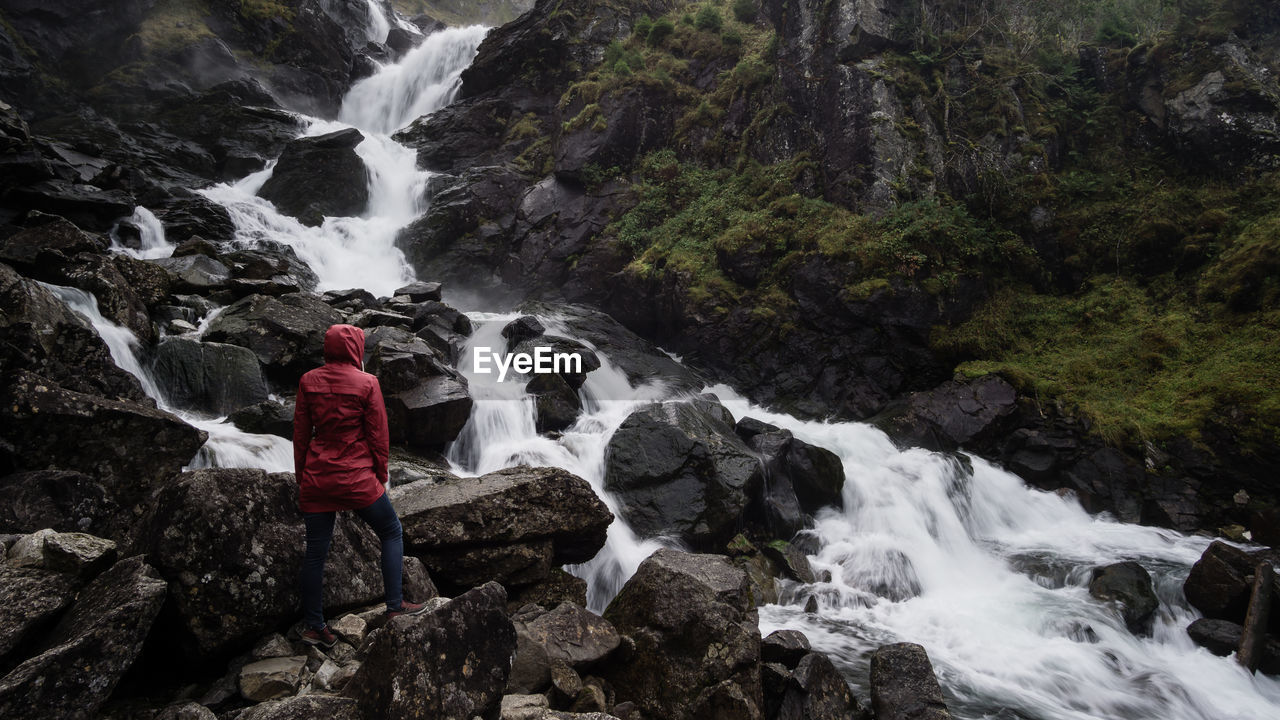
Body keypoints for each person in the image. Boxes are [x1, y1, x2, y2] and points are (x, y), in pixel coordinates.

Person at [293, 323, 425, 647]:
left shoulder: (308, 381)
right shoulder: (367, 383)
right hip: (356, 478)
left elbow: (300, 436)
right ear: (355, 348)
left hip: (318, 477)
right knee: (391, 530)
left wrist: (303, 478)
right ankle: (395, 607)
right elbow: (378, 435)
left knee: (315, 554)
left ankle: (315, 626)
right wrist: (381, 475)